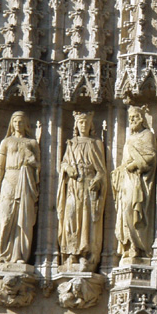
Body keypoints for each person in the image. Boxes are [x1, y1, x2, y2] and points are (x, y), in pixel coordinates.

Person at [57, 112, 107, 271]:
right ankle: (71, 253)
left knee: (86, 220)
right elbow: (63, 164)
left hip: (87, 187)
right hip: (73, 186)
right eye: (80, 123)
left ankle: (84, 254)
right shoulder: (71, 144)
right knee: (71, 217)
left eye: (86, 122)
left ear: (90, 125)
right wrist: (67, 168)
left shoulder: (95, 143)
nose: (83, 125)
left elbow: (101, 170)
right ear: (76, 125)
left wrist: (97, 181)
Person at [0, 111, 40, 265]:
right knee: (5, 219)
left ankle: (18, 255)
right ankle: (3, 254)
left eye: (20, 122)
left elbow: (38, 166)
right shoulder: (6, 142)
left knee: (22, 218)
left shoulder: (32, 143)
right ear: (11, 124)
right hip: (9, 179)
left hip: (25, 180)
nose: (18, 125)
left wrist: (30, 161)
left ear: (26, 124)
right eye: (15, 122)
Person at [113, 106, 157, 262]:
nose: (131, 120)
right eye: (130, 118)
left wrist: (136, 164)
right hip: (127, 180)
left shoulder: (147, 135)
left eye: (134, 117)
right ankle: (131, 245)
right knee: (125, 211)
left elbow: (151, 157)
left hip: (139, 180)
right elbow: (125, 161)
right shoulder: (129, 139)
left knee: (134, 208)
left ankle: (140, 246)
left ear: (141, 118)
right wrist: (119, 172)